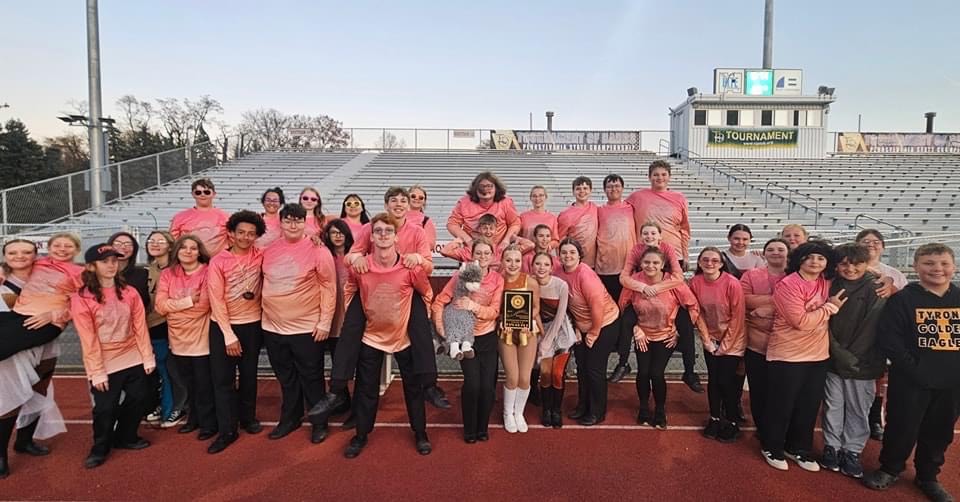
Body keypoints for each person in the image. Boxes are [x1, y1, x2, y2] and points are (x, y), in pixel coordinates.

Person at [319, 187, 447, 414]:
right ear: (386, 204)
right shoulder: (372, 227)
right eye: (393, 200)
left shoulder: (416, 231)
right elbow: (351, 255)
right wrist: (357, 259)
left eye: (403, 201)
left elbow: (428, 266)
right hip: (373, 287)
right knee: (351, 329)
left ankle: (430, 385)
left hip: (407, 286)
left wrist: (418, 258)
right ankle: (337, 389)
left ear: (409, 206)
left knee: (420, 329)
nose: (398, 204)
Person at [864, 243, 960, 502]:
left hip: (952, 382)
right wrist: (916, 370)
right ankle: (890, 468)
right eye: (929, 263)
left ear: (954, 267)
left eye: (943, 263)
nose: (936, 269)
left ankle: (928, 476)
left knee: (940, 431)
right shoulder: (904, 299)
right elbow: (890, 340)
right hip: (911, 380)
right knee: (901, 426)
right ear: (916, 267)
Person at [341, 213, 434, 458]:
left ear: (396, 237)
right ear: (371, 236)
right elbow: (350, 287)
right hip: (371, 335)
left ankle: (420, 432)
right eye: (378, 231)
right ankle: (361, 434)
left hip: (403, 335)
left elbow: (426, 292)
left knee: (413, 387)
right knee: (366, 388)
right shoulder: (361, 265)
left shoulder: (409, 267)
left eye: (388, 231)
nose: (383, 235)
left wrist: (416, 323)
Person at [70, 243, 155, 469]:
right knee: (105, 408)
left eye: (114, 261)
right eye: (104, 261)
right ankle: (100, 448)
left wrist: (147, 357)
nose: (111, 265)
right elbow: (88, 339)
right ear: (91, 266)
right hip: (105, 361)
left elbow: (139, 326)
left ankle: (126, 436)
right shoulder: (82, 298)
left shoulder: (130, 292)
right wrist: (97, 372)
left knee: (139, 398)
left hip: (133, 356)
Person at [761, 240, 843, 472]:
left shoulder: (825, 282)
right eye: (810, 257)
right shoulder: (788, 284)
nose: (815, 262)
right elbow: (801, 322)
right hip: (788, 354)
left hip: (818, 355)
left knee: (808, 406)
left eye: (821, 258)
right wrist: (830, 308)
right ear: (800, 259)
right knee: (782, 405)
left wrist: (886, 280)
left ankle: (798, 447)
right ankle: (772, 446)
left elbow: (859, 269)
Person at [261, 203, 337, 444]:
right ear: (281, 223)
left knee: (312, 377)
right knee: (286, 377)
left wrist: (325, 322)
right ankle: (290, 418)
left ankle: (319, 422)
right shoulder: (268, 249)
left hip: (306, 327)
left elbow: (328, 287)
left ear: (305, 223)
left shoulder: (318, 250)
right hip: (272, 326)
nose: (293, 225)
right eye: (288, 220)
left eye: (298, 220)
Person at [0, 239, 67, 479]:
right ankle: (1, 455)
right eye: (13, 252)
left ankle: (25, 441)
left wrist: (54, 314)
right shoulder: (2, 281)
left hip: (46, 345)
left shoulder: (50, 276)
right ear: (5, 256)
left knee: (40, 389)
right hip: (13, 351)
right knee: (10, 398)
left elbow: (73, 304)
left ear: (36, 254)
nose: (20, 256)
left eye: (27, 251)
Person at [819, 244, 886, 478]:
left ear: (867, 264)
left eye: (856, 263)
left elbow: (872, 326)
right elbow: (823, 323)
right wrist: (838, 352)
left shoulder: (877, 287)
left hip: (863, 362)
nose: (850, 268)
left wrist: (851, 357)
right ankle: (832, 446)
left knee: (859, 409)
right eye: (844, 263)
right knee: (833, 405)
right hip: (832, 359)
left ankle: (852, 450)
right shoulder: (829, 284)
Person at [619, 247, 702, 430]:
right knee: (643, 373)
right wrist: (635, 328)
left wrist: (679, 332)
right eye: (647, 262)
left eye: (655, 262)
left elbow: (693, 306)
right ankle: (643, 407)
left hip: (666, 335)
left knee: (656, 373)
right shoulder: (633, 283)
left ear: (663, 265)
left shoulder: (673, 283)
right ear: (640, 263)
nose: (650, 266)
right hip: (643, 334)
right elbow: (624, 308)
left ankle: (660, 409)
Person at [206, 210, 267, 454]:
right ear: (231, 233)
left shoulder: (262, 255)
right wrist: (228, 334)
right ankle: (227, 430)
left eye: (251, 233)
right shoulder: (218, 260)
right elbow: (216, 299)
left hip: (252, 324)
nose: (245, 237)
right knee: (223, 380)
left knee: (250, 375)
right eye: (241, 232)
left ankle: (248, 418)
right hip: (223, 326)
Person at [432, 238, 504, 443]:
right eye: (478, 253)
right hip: (465, 338)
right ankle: (469, 429)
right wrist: (443, 329)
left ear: (492, 256)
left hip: (488, 338)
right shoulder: (460, 275)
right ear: (472, 255)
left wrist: (473, 307)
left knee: (487, 388)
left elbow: (494, 312)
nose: (482, 257)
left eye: (486, 253)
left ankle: (482, 427)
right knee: (472, 385)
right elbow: (439, 302)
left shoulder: (497, 279)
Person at [617, 222, 702, 392]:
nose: (649, 237)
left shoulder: (668, 249)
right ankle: (623, 362)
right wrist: (643, 288)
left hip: (667, 289)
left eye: (653, 233)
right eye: (645, 233)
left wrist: (658, 288)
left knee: (685, 322)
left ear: (660, 236)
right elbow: (624, 279)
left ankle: (690, 371)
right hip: (641, 290)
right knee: (626, 319)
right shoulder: (636, 251)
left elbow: (678, 277)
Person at [154, 235, 217, 442]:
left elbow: (205, 305)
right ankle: (194, 419)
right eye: (184, 248)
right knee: (188, 382)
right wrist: (188, 301)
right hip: (178, 338)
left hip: (201, 338)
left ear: (199, 252)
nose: (188, 251)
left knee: (204, 383)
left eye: (193, 248)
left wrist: (175, 307)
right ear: (177, 251)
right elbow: (160, 306)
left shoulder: (207, 272)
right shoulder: (168, 274)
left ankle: (209, 423)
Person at [555, 238, 620, 426]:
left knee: (594, 369)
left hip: (604, 323)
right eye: (564, 252)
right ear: (559, 255)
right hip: (581, 325)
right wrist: (575, 327)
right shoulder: (558, 272)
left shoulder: (585, 275)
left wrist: (593, 333)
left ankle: (597, 411)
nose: (568, 256)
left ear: (579, 256)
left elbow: (597, 306)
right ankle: (583, 405)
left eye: (572, 253)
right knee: (582, 368)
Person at [689, 247, 746, 443]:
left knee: (726, 381)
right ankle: (714, 417)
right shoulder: (695, 282)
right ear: (699, 262)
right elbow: (697, 313)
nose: (710, 263)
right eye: (705, 259)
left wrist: (725, 345)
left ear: (721, 264)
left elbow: (737, 317)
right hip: (711, 339)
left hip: (733, 338)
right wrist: (706, 340)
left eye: (714, 260)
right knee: (714, 380)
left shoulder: (732, 283)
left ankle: (731, 421)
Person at [856, 228, 906, 441]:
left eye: (876, 241)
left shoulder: (893, 273)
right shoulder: (849, 268)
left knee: (877, 376)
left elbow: (904, 302)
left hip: (882, 330)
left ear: (883, 246)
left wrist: (888, 284)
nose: (871, 244)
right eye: (865, 241)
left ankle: (874, 417)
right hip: (854, 329)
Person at [0, 233, 83, 361]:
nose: (62, 249)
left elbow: (87, 305)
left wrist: (53, 315)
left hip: (44, 321)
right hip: (17, 314)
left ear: (77, 250)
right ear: (48, 248)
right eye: (57, 245)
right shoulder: (39, 263)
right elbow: (17, 261)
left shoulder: (81, 273)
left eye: (68, 246)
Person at [740, 238, 789, 440]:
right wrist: (783, 300)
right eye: (771, 249)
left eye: (780, 249)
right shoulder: (751, 275)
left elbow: (801, 303)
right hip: (757, 342)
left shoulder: (796, 276)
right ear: (764, 253)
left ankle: (781, 430)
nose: (775, 252)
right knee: (758, 390)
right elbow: (744, 299)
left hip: (787, 346)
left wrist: (766, 307)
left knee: (783, 392)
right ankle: (762, 428)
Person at [596, 174, 637, 381]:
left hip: (626, 271)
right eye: (609, 186)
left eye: (617, 185)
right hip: (603, 269)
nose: (613, 188)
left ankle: (623, 362)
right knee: (608, 315)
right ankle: (605, 356)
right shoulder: (599, 210)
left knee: (625, 316)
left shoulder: (631, 208)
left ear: (622, 188)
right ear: (604, 190)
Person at [144, 230, 187, 428]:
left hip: (172, 324)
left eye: (160, 241)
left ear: (170, 246)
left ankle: (175, 407)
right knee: (161, 369)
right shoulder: (148, 270)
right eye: (151, 240)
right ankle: (165, 403)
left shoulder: (178, 269)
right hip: (151, 324)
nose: (155, 244)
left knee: (173, 370)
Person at [498, 245, 542, 434]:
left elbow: (536, 307)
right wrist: (503, 319)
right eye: (509, 260)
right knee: (512, 376)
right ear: (502, 261)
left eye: (517, 260)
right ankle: (508, 413)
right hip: (506, 332)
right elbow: (494, 306)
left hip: (526, 332)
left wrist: (528, 317)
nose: (513, 264)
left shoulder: (530, 282)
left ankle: (519, 413)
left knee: (525, 378)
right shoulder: (497, 281)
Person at [531, 252, 575, 429]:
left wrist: (547, 341)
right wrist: (541, 337)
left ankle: (556, 410)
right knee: (546, 373)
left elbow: (560, 316)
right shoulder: (529, 283)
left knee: (557, 374)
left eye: (545, 264)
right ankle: (546, 410)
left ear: (551, 267)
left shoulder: (561, 285)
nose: (541, 268)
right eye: (538, 264)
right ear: (532, 266)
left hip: (560, 332)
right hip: (540, 331)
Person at [626, 160, 691, 273]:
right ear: (649, 177)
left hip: (674, 254)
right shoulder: (636, 197)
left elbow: (684, 229)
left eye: (664, 174)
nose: (660, 178)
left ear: (669, 176)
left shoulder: (679, 198)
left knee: (671, 289)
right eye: (655, 175)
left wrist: (685, 254)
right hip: (646, 255)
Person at [322, 219, 356, 429]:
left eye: (341, 232)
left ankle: (358, 406)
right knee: (338, 363)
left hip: (351, 317)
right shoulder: (324, 255)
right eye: (333, 232)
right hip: (332, 316)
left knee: (359, 364)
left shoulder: (354, 257)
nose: (337, 236)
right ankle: (342, 400)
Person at [446, 171, 521, 247]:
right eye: (482, 186)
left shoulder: (505, 202)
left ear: (496, 188)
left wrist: (506, 241)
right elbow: (452, 224)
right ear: (475, 188)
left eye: (489, 186)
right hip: (473, 249)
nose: (485, 189)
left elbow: (515, 223)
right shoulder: (464, 202)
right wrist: (468, 241)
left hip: (500, 249)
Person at [169, 178, 230, 256]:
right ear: (193, 194)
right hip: (189, 261)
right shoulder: (180, 217)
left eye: (207, 192)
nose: (202, 195)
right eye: (198, 192)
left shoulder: (225, 217)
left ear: (213, 194)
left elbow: (232, 241)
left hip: (218, 262)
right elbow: (172, 241)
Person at [557, 176, 599, 268]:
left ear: (590, 191)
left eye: (585, 188)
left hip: (593, 262)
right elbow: (560, 240)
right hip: (573, 262)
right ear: (573, 191)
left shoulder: (595, 208)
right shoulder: (565, 214)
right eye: (578, 189)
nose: (582, 191)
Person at [108, 231, 151, 309]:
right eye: (117, 243)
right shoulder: (99, 274)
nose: (123, 247)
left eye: (128, 244)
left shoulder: (143, 274)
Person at [407, 185, 438, 255]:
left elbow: (430, 245)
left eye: (421, 198)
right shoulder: (398, 217)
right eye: (413, 196)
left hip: (418, 260)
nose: (416, 199)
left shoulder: (426, 221)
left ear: (424, 202)